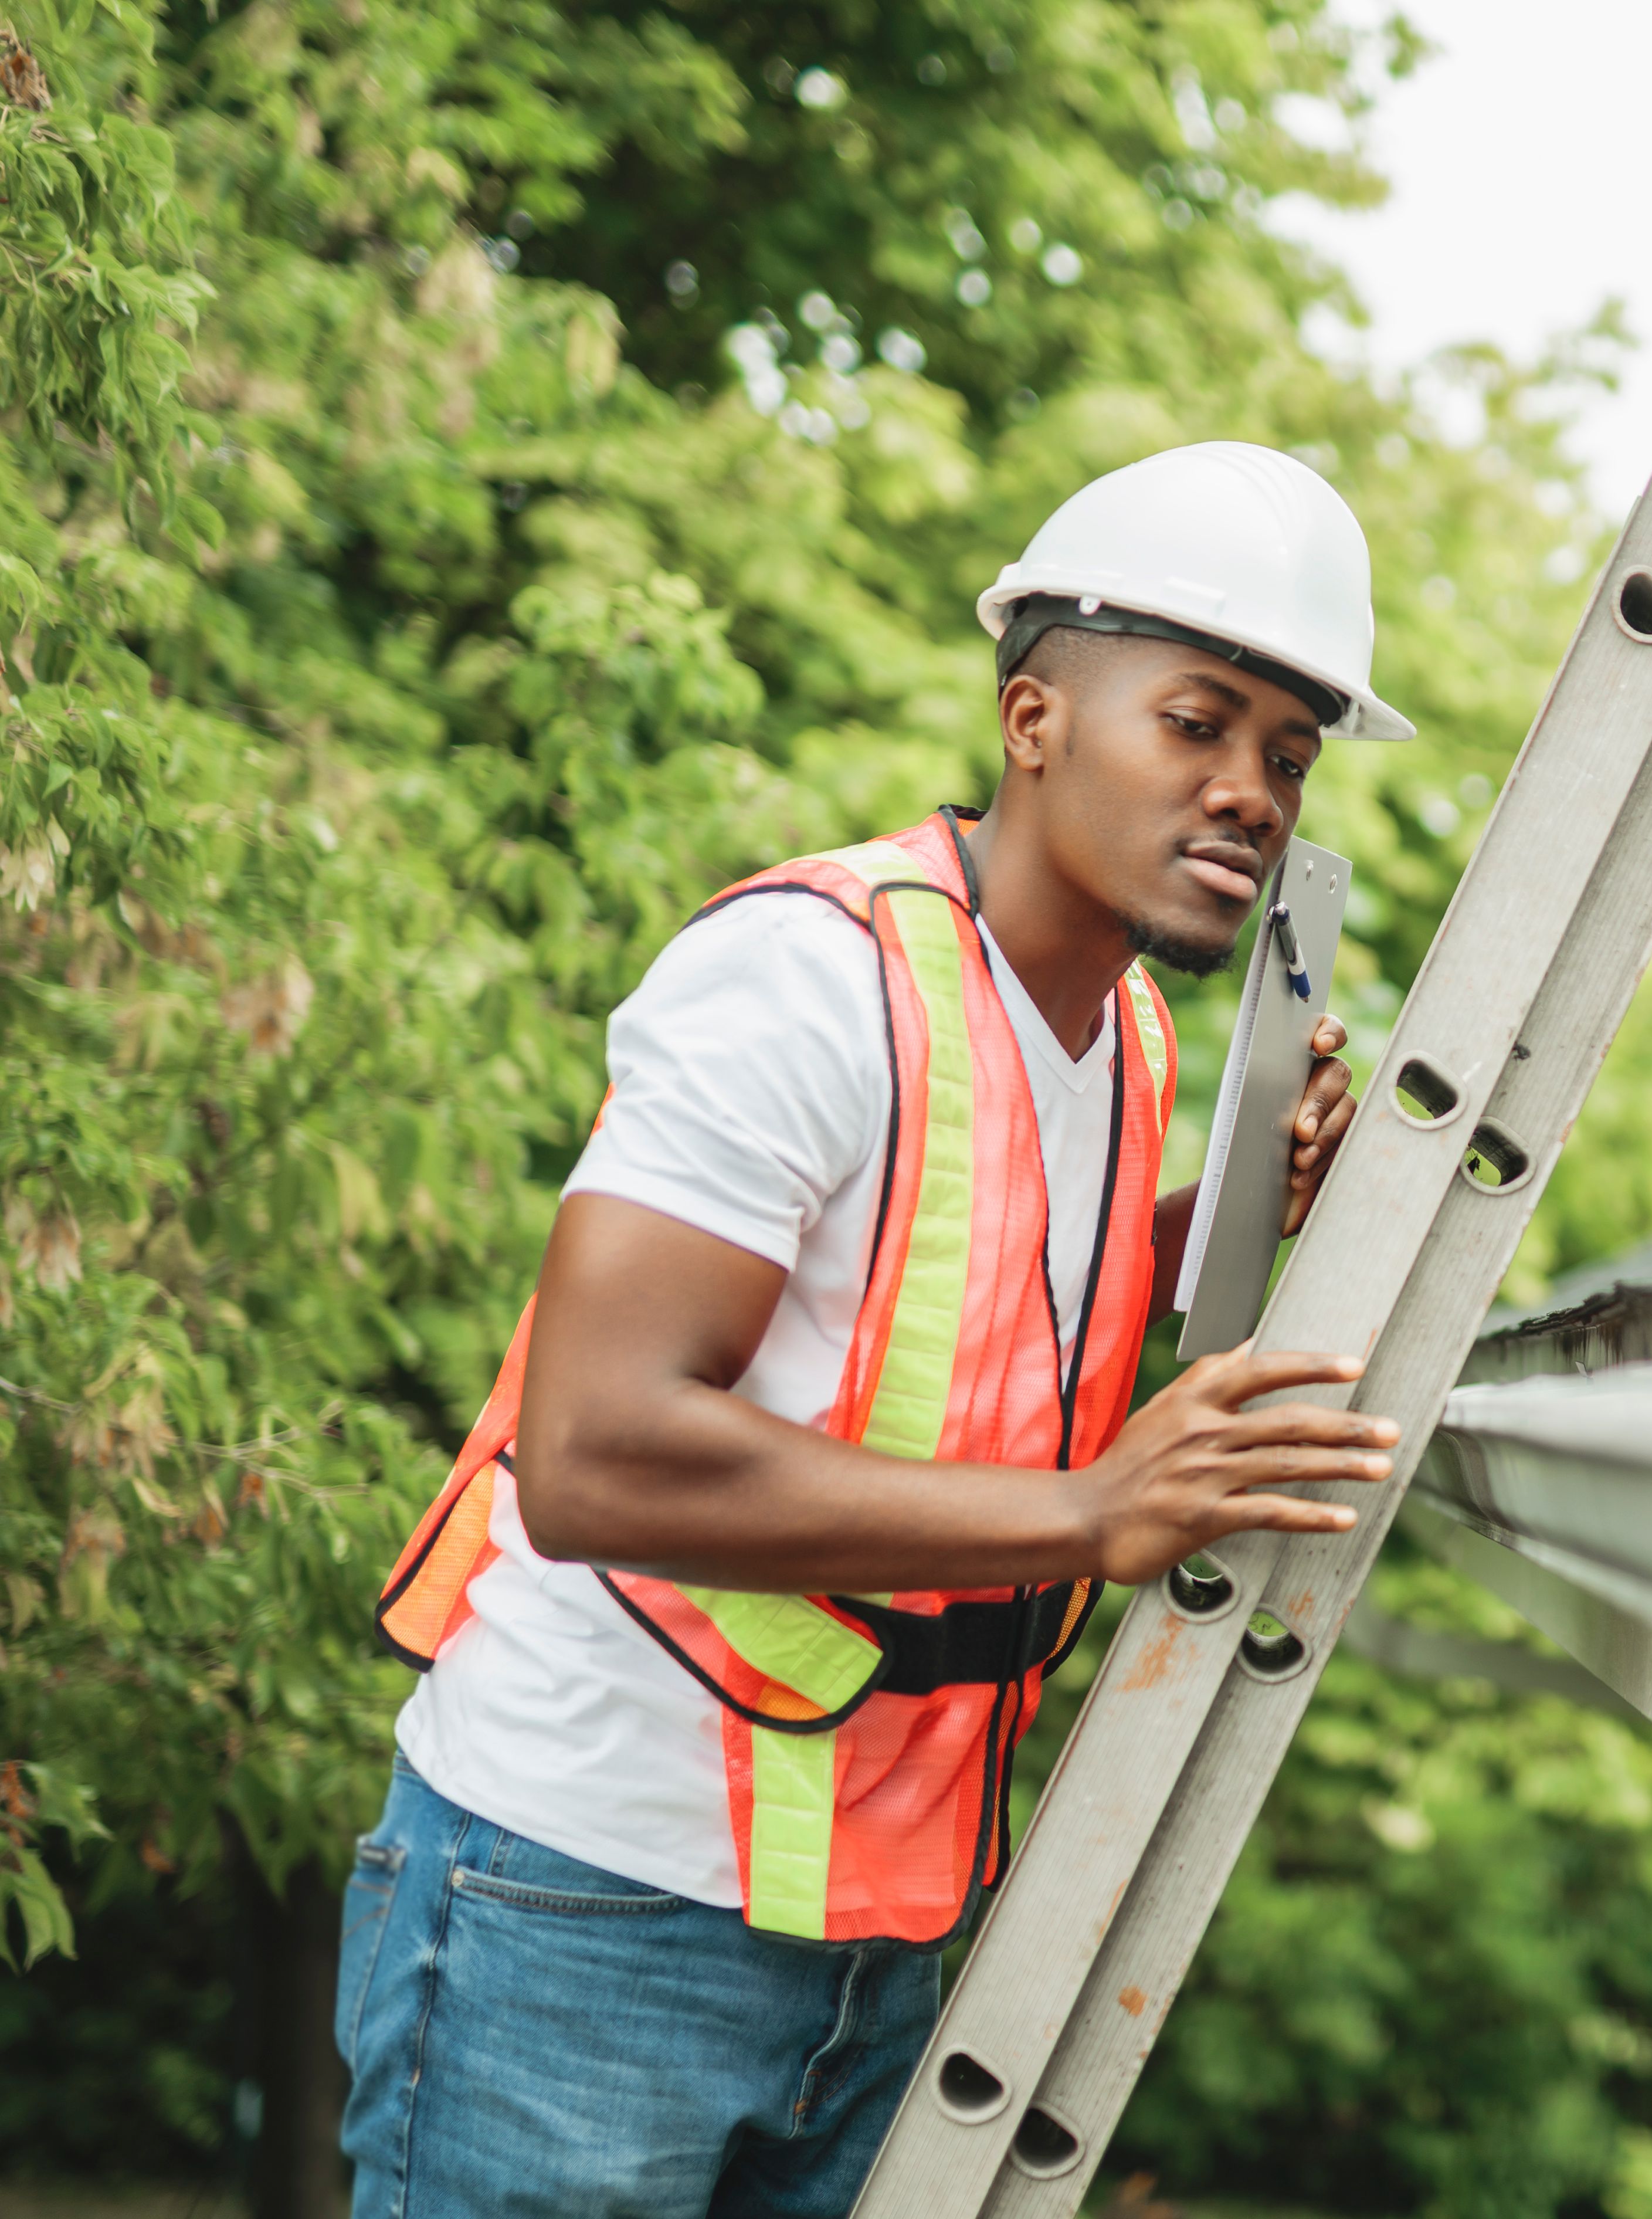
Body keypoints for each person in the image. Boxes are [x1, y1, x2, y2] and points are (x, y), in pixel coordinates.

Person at [338, 443, 1417, 2217]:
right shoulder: (806, 975)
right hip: (589, 1895)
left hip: (888, 1920)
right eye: (1198, 723)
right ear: (1034, 719)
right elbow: (596, 1453)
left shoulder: (1129, 1037)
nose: (1250, 793)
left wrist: (1218, 1218)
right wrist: (1092, 1517)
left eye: (1287, 760)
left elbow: (978, 1330)